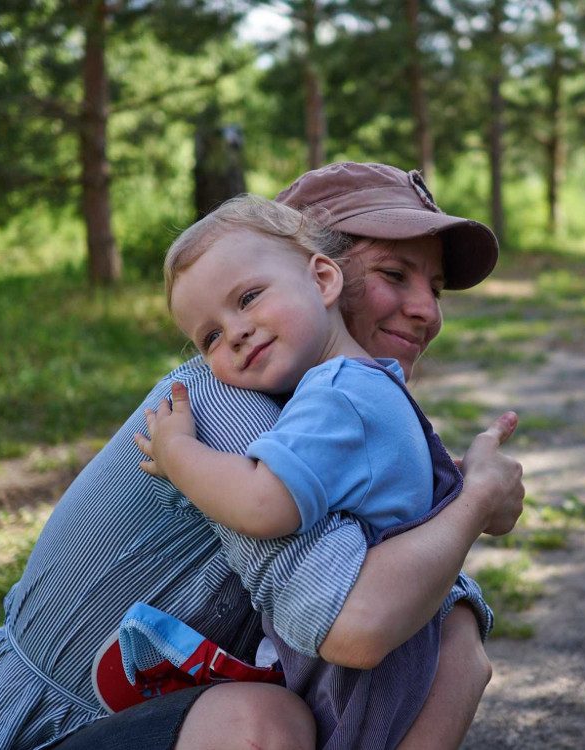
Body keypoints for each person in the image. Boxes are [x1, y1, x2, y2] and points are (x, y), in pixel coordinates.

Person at [0, 162, 524, 750]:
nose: (427, 311)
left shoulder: (342, 398)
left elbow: (434, 623)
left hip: (175, 701)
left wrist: (448, 504)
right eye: (393, 274)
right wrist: (473, 503)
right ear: (318, 275)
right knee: (260, 722)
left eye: (433, 287)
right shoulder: (216, 402)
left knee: (451, 634)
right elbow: (354, 625)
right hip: (56, 729)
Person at [130, 194, 481, 746]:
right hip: (393, 660)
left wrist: (178, 455)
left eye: (248, 299)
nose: (236, 332)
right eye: (210, 338)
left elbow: (262, 503)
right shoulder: (363, 388)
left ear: (323, 280)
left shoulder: (338, 394)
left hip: (363, 680)